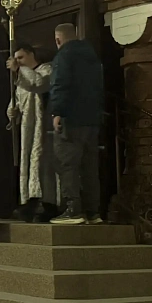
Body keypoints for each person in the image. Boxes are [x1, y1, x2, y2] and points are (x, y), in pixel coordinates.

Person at [49, 23, 104, 225]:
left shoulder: (63, 56)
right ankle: (93, 212)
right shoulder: (91, 56)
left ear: (58, 39)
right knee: (89, 167)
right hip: (91, 119)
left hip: (71, 119)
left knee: (67, 164)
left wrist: (57, 112)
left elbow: (60, 84)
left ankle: (73, 210)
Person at [6, 44, 58, 223]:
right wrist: (12, 111)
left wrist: (19, 69)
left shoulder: (46, 70)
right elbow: (17, 99)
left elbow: (38, 84)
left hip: (44, 126)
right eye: (15, 59)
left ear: (31, 55)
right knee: (29, 163)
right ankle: (29, 201)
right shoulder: (21, 77)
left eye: (20, 57)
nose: (18, 61)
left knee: (43, 164)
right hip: (28, 127)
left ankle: (48, 203)